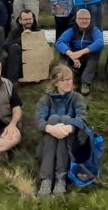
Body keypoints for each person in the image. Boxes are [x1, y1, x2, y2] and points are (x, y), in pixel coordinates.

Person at [34, 64, 88, 198]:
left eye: (71, 79)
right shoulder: (46, 99)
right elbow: (38, 119)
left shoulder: (76, 98)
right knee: (53, 119)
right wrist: (51, 129)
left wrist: (69, 127)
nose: (70, 82)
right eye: (65, 80)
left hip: (71, 144)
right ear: (56, 83)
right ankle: (46, 181)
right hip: (48, 146)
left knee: (65, 119)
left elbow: (82, 118)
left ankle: (60, 179)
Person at [55, 8, 104, 95]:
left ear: (90, 19)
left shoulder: (95, 30)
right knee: (63, 54)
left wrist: (80, 53)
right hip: (73, 57)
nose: (84, 21)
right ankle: (66, 81)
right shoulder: (71, 30)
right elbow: (59, 42)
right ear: (76, 20)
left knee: (96, 52)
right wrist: (71, 54)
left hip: (87, 58)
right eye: (81, 18)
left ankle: (85, 82)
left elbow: (100, 42)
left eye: (87, 19)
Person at [2, 9, 42, 82]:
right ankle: (11, 82)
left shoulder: (38, 32)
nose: (28, 21)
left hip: (31, 64)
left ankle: (12, 81)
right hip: (16, 62)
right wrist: (22, 38)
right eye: (25, 19)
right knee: (1, 60)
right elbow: (5, 46)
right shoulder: (14, 32)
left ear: (33, 19)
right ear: (20, 21)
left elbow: (42, 50)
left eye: (30, 19)